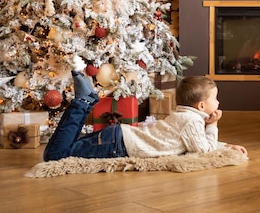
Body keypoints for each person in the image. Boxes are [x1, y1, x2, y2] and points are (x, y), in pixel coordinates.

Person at [43, 69, 247, 161]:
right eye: (215, 99)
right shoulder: (192, 122)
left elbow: (196, 142)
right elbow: (204, 151)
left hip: (117, 136)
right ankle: (83, 102)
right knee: (55, 156)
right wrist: (213, 125)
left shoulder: (182, 115)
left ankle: (85, 101)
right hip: (118, 145)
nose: (218, 103)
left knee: (67, 147)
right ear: (201, 106)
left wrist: (226, 146)